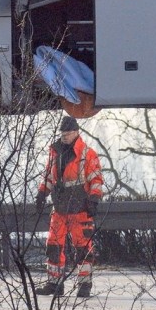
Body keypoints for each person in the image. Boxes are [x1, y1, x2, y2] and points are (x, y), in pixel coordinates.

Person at [34, 115, 103, 298]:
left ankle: (84, 285)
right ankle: (54, 284)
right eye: (63, 133)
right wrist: (42, 193)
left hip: (81, 208)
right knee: (54, 246)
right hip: (60, 207)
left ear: (76, 132)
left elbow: (96, 179)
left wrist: (94, 200)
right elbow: (49, 176)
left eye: (68, 132)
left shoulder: (88, 154)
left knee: (83, 247)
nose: (64, 136)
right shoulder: (55, 152)